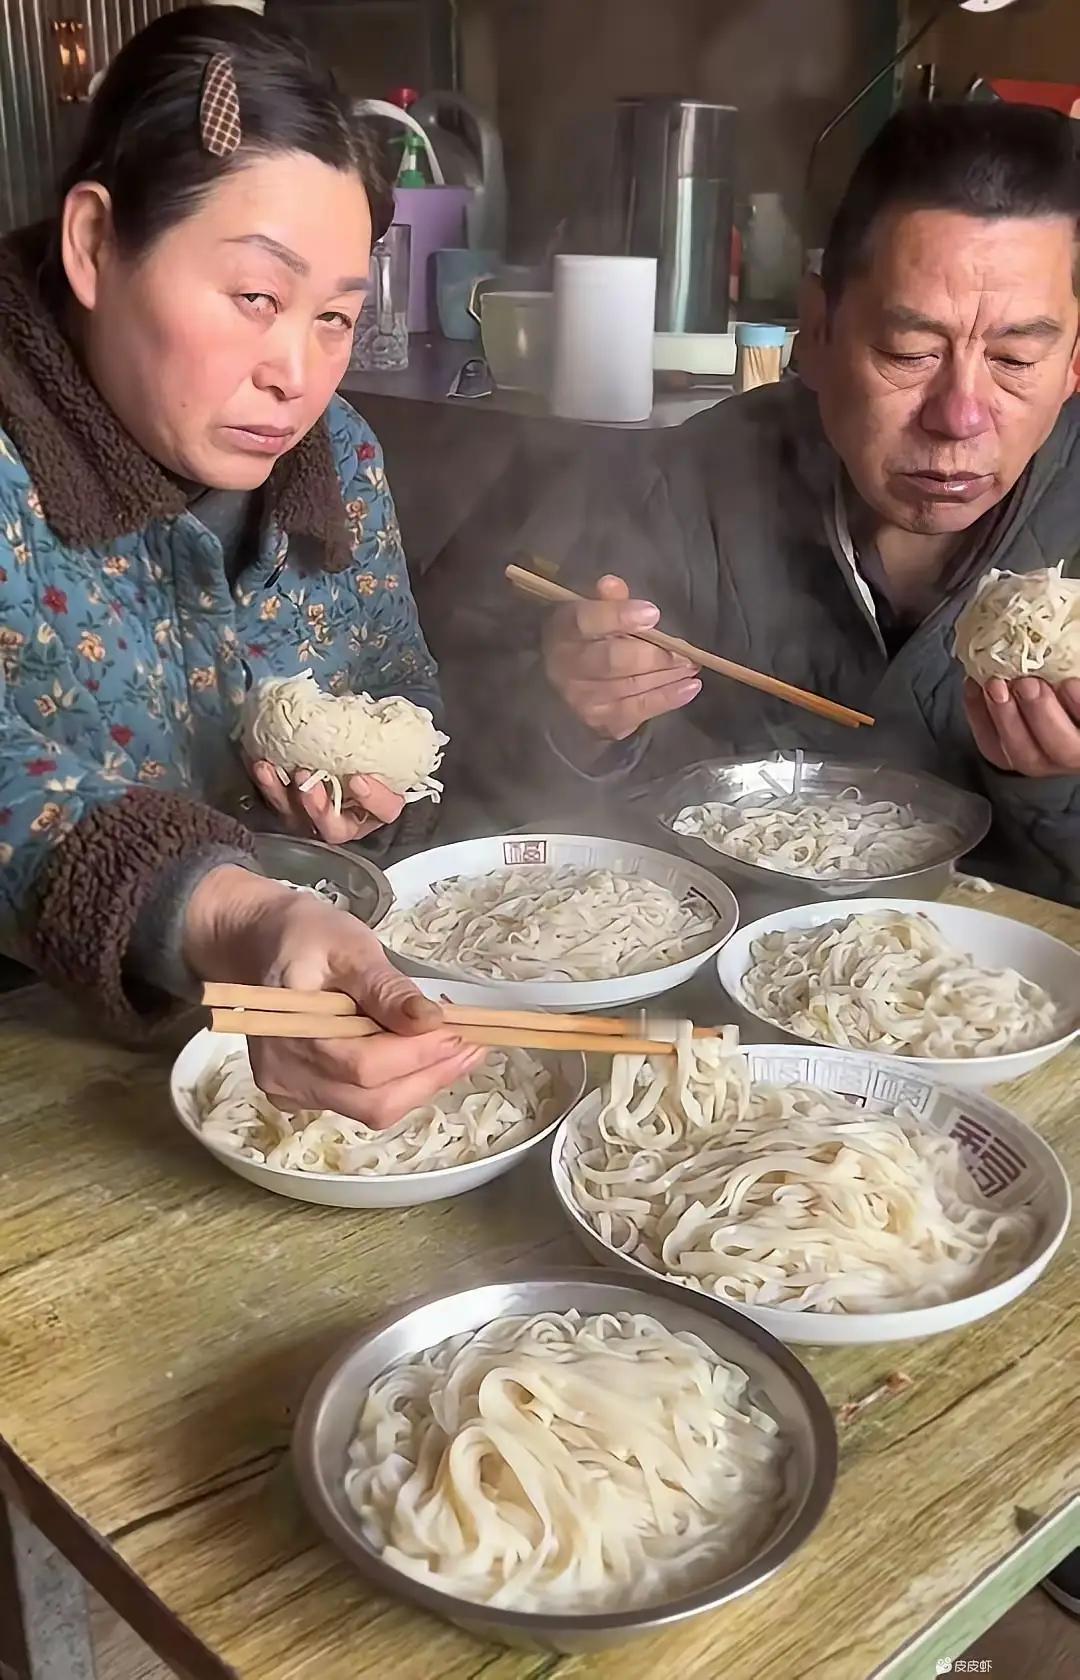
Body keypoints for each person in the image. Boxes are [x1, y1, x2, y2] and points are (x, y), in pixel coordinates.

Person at [0, 5, 488, 1123]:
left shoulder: (339, 457)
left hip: (284, 1062)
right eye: (256, 297)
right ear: (92, 245)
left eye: (334, 318)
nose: (297, 375)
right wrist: (223, 914)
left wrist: (371, 802)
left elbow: (399, 685)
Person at [430, 102, 1080, 904]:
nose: (960, 416)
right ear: (816, 330)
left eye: (1015, 358)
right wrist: (577, 721)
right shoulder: (690, 481)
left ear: (1076, 358)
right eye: (909, 353)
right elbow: (469, 769)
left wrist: (1056, 790)